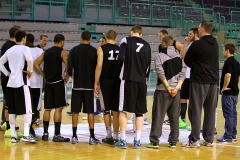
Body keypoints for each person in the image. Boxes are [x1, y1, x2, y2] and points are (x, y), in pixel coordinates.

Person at [182, 20, 219, 148]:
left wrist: (196, 67)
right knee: (210, 111)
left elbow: (187, 61)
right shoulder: (215, 44)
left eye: (199, 27)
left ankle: (194, 139)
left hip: (199, 81)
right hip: (213, 82)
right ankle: (209, 139)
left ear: (202, 29)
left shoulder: (197, 44)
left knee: (195, 110)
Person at [146, 35, 186, 149]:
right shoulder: (179, 57)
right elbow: (183, 74)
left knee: (158, 116)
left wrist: (168, 87)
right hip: (176, 92)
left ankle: (154, 141)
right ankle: (173, 141)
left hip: (163, 91)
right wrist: (176, 88)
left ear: (163, 43)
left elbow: (160, 72)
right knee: (174, 117)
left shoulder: (159, 56)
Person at [115, 25, 151, 149]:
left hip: (128, 79)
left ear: (132, 32)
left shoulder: (126, 40)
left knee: (123, 110)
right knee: (139, 112)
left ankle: (123, 140)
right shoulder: (147, 45)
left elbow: (120, 58)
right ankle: (137, 141)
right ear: (140, 34)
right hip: (142, 81)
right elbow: (148, 67)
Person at [0, 30, 36, 143]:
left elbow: (0, 62)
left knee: (12, 111)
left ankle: (13, 135)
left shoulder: (10, 50)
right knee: (29, 110)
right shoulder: (25, 49)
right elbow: (30, 60)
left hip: (11, 82)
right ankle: (26, 134)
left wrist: (7, 73)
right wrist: (30, 71)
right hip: (22, 82)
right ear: (24, 38)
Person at [34, 34, 70, 142]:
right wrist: (67, 77)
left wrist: (43, 74)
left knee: (48, 109)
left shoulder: (46, 52)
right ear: (62, 41)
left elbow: (36, 63)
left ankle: (45, 134)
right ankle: (57, 135)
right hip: (58, 82)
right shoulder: (63, 52)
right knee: (58, 109)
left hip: (48, 83)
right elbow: (69, 66)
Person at [68, 31, 101, 145]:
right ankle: (92, 137)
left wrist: (72, 76)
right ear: (90, 38)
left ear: (81, 37)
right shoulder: (94, 51)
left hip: (77, 85)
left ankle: (74, 136)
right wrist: (96, 82)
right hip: (89, 86)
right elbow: (98, 67)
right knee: (90, 112)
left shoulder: (73, 50)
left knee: (75, 112)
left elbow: (69, 67)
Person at [94, 30, 122, 144]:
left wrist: (95, 82)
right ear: (115, 38)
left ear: (106, 37)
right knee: (116, 111)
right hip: (117, 81)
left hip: (105, 81)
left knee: (106, 110)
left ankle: (109, 135)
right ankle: (116, 136)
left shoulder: (102, 49)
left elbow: (99, 66)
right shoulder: (120, 49)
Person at [0, 27, 22, 138]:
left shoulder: (5, 45)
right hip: (10, 78)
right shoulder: (13, 47)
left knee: (7, 101)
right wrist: (9, 73)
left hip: (5, 77)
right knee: (10, 102)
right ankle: (8, 126)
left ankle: (5, 123)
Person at [158, 29, 183, 125]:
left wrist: (181, 57)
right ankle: (168, 118)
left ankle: (177, 117)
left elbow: (183, 48)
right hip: (167, 73)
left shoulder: (174, 43)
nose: (159, 38)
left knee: (173, 100)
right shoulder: (161, 47)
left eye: (160, 36)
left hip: (174, 74)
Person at [217, 43, 239, 142]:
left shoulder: (228, 62)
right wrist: (237, 85)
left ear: (227, 51)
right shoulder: (237, 63)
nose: (222, 51)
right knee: (233, 114)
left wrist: (225, 87)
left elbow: (228, 75)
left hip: (228, 93)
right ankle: (233, 134)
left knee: (228, 115)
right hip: (235, 93)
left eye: (223, 50)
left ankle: (228, 135)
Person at [179, 28, 199, 129]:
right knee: (182, 98)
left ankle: (193, 123)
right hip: (186, 76)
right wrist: (185, 43)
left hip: (195, 77)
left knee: (193, 100)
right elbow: (182, 55)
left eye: (190, 33)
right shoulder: (190, 44)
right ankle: (182, 120)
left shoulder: (199, 45)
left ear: (196, 34)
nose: (188, 35)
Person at [25, 33, 44, 137]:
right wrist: (43, 75)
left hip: (25, 82)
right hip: (37, 83)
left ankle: (26, 129)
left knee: (27, 107)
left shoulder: (24, 50)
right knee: (35, 108)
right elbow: (43, 67)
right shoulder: (40, 51)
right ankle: (30, 128)